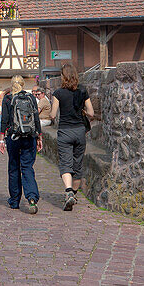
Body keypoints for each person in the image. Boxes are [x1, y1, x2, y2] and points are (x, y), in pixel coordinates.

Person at [49, 63, 95, 211]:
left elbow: (53, 115)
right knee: (77, 164)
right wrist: (82, 111)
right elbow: (92, 113)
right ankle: (73, 194)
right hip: (80, 131)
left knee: (65, 163)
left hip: (65, 131)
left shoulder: (58, 93)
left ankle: (68, 191)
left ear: (63, 76)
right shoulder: (83, 91)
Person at [0, 76, 43, 214]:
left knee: (14, 168)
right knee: (27, 167)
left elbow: (4, 121)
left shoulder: (8, 99)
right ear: (23, 84)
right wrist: (39, 137)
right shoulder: (31, 98)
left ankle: (15, 200)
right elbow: (36, 119)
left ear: (11, 85)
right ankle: (32, 197)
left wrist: (1, 140)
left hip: (13, 137)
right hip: (29, 137)